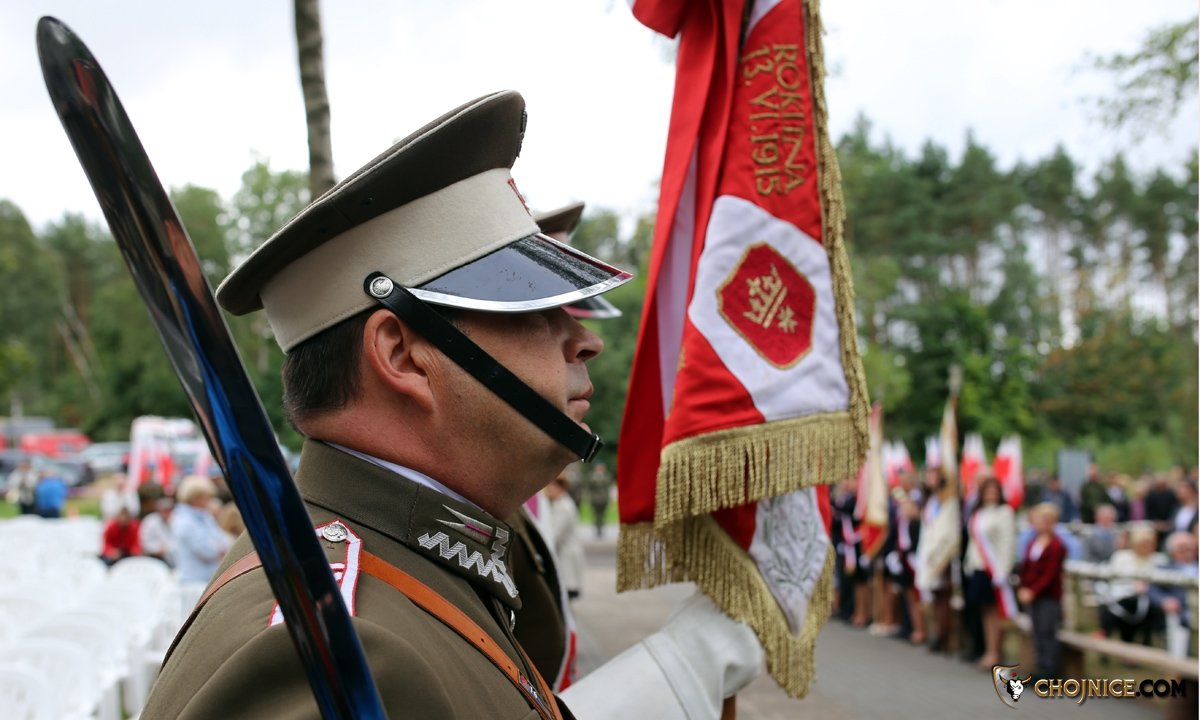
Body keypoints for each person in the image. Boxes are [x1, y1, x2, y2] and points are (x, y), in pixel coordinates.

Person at [141, 91, 762, 720]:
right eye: (531, 310)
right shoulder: (327, 653)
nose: (585, 340)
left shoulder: (410, 567)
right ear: (404, 356)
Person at [962, 476, 1016, 669]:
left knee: (996, 611)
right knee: (985, 611)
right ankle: (989, 649)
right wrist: (968, 562)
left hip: (994, 569)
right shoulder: (978, 513)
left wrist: (1004, 570)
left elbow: (1008, 542)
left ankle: (996, 652)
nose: (991, 494)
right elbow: (973, 541)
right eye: (987, 490)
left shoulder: (1004, 512)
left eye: (994, 490)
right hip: (978, 567)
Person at [1017, 503, 1066, 678]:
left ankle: (1051, 671)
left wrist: (1033, 591)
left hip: (1048, 596)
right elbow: (1026, 568)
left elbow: (1049, 574)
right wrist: (1023, 587)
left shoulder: (1056, 545)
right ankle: (1040, 667)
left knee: (1047, 631)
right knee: (1036, 632)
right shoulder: (1032, 543)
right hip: (1032, 595)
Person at [915, 466, 960, 654]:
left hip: (942, 556)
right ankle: (936, 633)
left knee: (943, 598)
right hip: (928, 553)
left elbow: (948, 533)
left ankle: (945, 638)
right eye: (928, 475)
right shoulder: (931, 500)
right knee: (933, 597)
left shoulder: (949, 502)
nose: (929, 479)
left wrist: (939, 556)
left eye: (933, 476)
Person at [1097, 524, 1167, 645]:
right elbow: (1113, 583)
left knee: (1150, 610)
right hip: (1121, 599)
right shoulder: (1121, 557)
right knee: (1116, 610)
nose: (1148, 547)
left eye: (1151, 543)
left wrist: (1147, 589)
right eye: (1144, 543)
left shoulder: (1160, 559)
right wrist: (1132, 588)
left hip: (1149, 602)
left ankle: (1145, 644)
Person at [169, 474, 233, 584]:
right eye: (206, 497)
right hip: (193, 581)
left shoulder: (204, 515)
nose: (209, 501)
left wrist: (219, 546)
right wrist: (219, 547)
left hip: (210, 577)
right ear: (195, 497)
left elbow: (225, 540)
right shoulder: (183, 521)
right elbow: (207, 551)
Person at [1148, 531, 1198, 656]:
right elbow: (1152, 589)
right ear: (1172, 551)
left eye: (1191, 547)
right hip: (1181, 614)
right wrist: (1164, 600)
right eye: (1183, 548)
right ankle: (1178, 664)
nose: (1188, 551)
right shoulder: (1164, 568)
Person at [543, 474, 586, 601]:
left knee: (565, 596)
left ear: (561, 488)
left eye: (552, 486)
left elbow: (554, 535)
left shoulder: (563, 507)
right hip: (565, 555)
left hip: (566, 557)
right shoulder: (559, 504)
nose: (549, 489)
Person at [139, 497, 175, 565]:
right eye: (164, 510)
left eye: (168, 510)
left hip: (171, 556)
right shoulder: (149, 521)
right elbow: (144, 542)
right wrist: (156, 549)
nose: (166, 513)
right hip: (153, 557)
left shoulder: (175, 520)